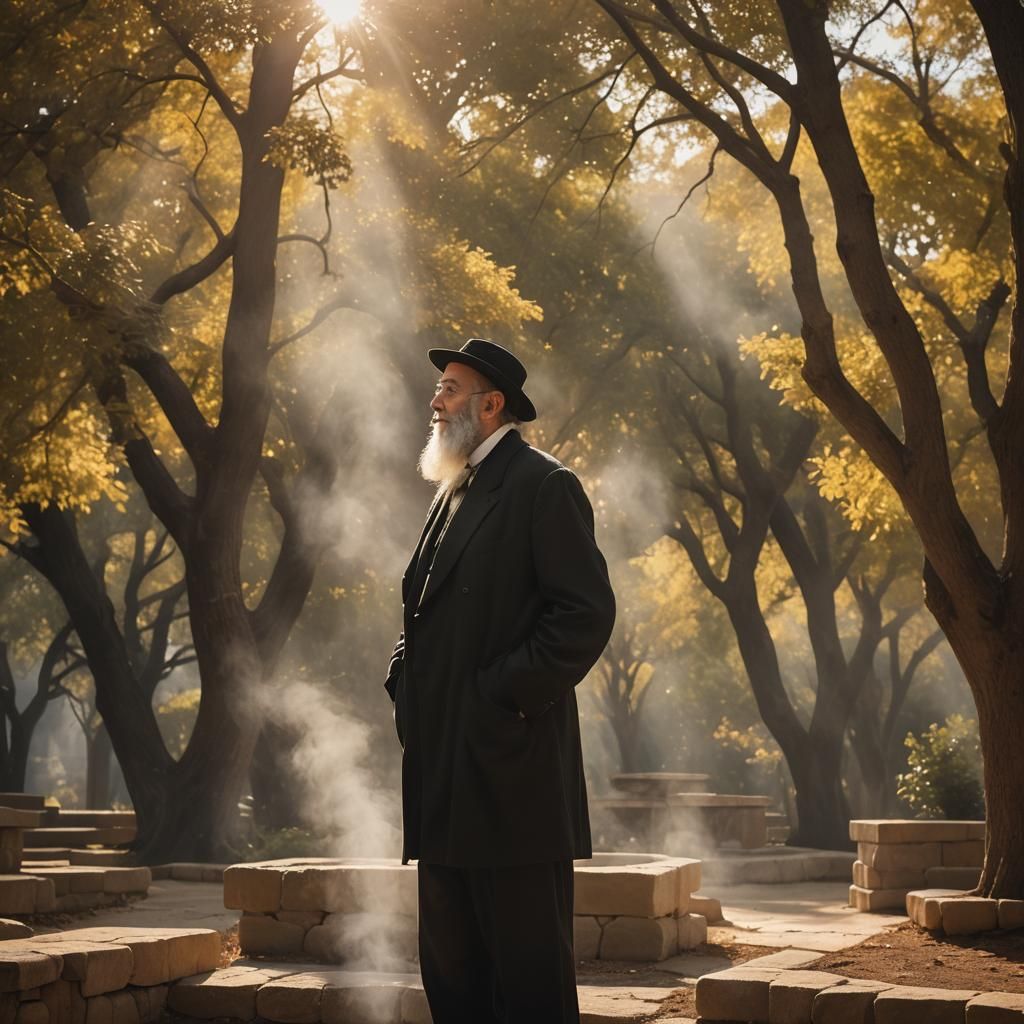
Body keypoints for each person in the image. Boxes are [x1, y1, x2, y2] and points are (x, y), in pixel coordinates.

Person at [383, 338, 616, 1023]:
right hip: (444, 776)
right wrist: (404, 679)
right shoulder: (454, 486)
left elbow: (584, 616)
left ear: (491, 406)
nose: (434, 401)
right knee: (453, 978)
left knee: (529, 982)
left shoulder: (545, 485)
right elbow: (421, 609)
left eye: (449, 389)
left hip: (513, 779)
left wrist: (496, 699)